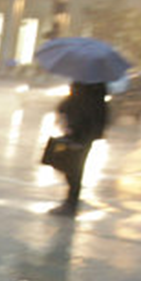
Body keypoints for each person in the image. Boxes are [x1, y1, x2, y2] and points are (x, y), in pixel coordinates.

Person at [50, 80, 108, 216]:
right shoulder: (97, 88)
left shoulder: (87, 86)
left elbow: (75, 106)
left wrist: (70, 119)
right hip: (82, 132)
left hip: (80, 132)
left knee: (73, 167)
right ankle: (71, 201)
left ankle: (71, 202)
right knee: (72, 166)